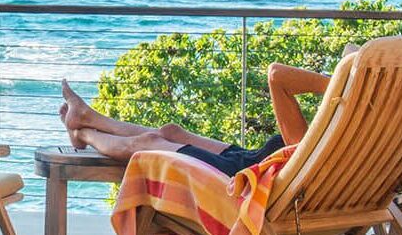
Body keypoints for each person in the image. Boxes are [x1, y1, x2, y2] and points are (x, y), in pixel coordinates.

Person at [58, 61, 333, 178]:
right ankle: (87, 117)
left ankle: (84, 134)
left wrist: (341, 83)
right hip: (253, 160)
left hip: (239, 177)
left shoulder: (309, 150)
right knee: (172, 131)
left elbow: (277, 75)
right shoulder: (353, 134)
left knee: (149, 142)